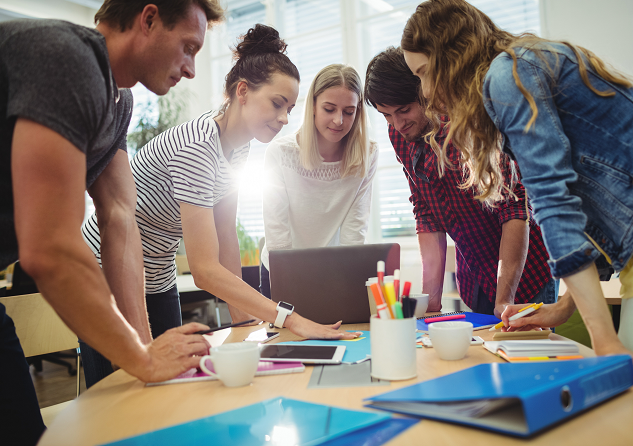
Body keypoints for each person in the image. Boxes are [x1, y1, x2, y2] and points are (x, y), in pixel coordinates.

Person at [401, 0, 633, 420]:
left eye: (422, 73)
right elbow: (592, 207)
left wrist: (606, 343)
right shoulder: (520, 63)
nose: (428, 92)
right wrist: (562, 309)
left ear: (449, 57)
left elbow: (555, 204)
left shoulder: (507, 78)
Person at [81, 25, 360, 387]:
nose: (285, 118)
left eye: (290, 108)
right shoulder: (197, 146)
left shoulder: (238, 147)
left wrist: (245, 323)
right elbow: (204, 270)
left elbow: (226, 234)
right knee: (120, 393)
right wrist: (287, 318)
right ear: (242, 91)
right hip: (108, 267)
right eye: (277, 104)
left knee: (168, 387)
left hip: (158, 273)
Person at [0, 1, 224, 444]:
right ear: (148, 19)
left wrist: (146, 354)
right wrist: (141, 359)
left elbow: (121, 219)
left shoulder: (117, 99)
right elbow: (49, 250)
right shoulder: (68, 58)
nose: (192, 68)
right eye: (188, 47)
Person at [364, 47, 555, 316]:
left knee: (527, 355)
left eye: (404, 110)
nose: (396, 124)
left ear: (425, 92)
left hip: (524, 275)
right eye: (386, 115)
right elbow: (426, 212)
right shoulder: (400, 134)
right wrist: (430, 302)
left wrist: (505, 300)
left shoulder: (468, 123)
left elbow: (513, 209)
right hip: (475, 276)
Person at [260, 64, 378, 298]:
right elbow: (277, 234)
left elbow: (355, 232)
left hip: (334, 269)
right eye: (329, 109)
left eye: (348, 111)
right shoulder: (281, 153)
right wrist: (292, 284)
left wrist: (345, 284)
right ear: (313, 106)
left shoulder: (367, 154)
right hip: (281, 268)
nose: (338, 120)